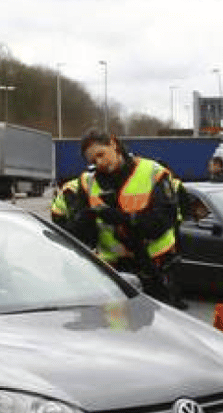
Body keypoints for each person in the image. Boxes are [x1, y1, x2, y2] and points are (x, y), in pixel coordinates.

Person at [75, 130, 187, 309]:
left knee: (160, 329)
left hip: (154, 268)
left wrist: (125, 219)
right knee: (118, 332)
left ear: (113, 144)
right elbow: (84, 237)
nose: (100, 163)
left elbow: (164, 221)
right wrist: (83, 222)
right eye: (93, 161)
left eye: (101, 154)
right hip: (113, 274)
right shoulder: (87, 182)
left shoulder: (154, 172)